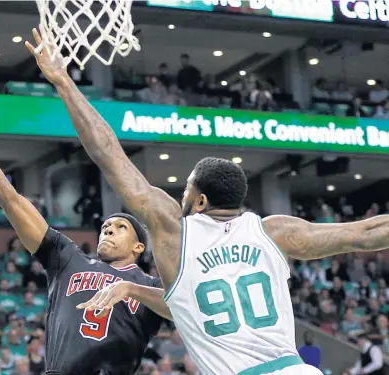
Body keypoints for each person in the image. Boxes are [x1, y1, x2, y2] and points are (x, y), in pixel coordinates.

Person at [26, 27, 389, 375]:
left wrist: (64, 82)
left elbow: (108, 154)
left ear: (199, 201)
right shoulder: (275, 231)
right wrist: (135, 288)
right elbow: (367, 232)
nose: (181, 197)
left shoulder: (176, 235)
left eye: (185, 190)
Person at [0, 91, 172, 375]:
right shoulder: (68, 258)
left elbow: (180, 308)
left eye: (120, 227)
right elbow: (9, 198)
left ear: (139, 247)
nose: (108, 230)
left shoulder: (152, 284)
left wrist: (131, 288)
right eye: (106, 226)